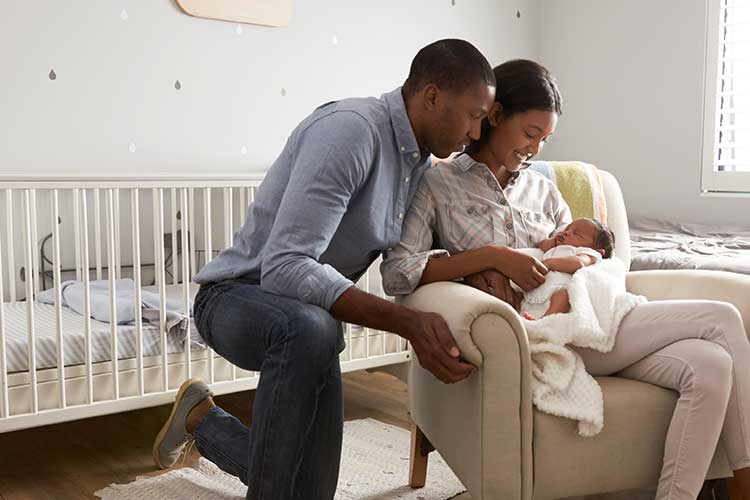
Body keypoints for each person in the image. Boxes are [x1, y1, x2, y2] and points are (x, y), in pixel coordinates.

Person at [381, 58, 750, 500]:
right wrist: (488, 258)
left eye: (545, 138)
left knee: (713, 366)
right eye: (530, 133)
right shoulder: (438, 185)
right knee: (723, 318)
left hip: (596, 321)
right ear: (496, 116)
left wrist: (583, 263)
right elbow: (398, 271)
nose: (535, 149)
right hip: (543, 336)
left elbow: (588, 257)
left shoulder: (545, 190)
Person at [151, 39, 494, 500]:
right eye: (474, 115)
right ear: (432, 97)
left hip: (309, 324)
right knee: (315, 328)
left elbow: (403, 268)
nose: (475, 131)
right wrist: (409, 324)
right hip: (234, 298)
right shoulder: (351, 131)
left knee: (308, 486)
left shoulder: (420, 166)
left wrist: (486, 266)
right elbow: (286, 267)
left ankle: (202, 421)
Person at [517, 217, 615, 319]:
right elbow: (538, 246)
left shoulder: (588, 253)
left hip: (558, 290)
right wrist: (553, 241)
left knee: (563, 296)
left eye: (576, 234)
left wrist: (549, 264)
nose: (566, 233)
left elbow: (579, 263)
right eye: (566, 230)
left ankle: (543, 322)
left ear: (599, 251)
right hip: (535, 292)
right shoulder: (555, 248)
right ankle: (524, 320)